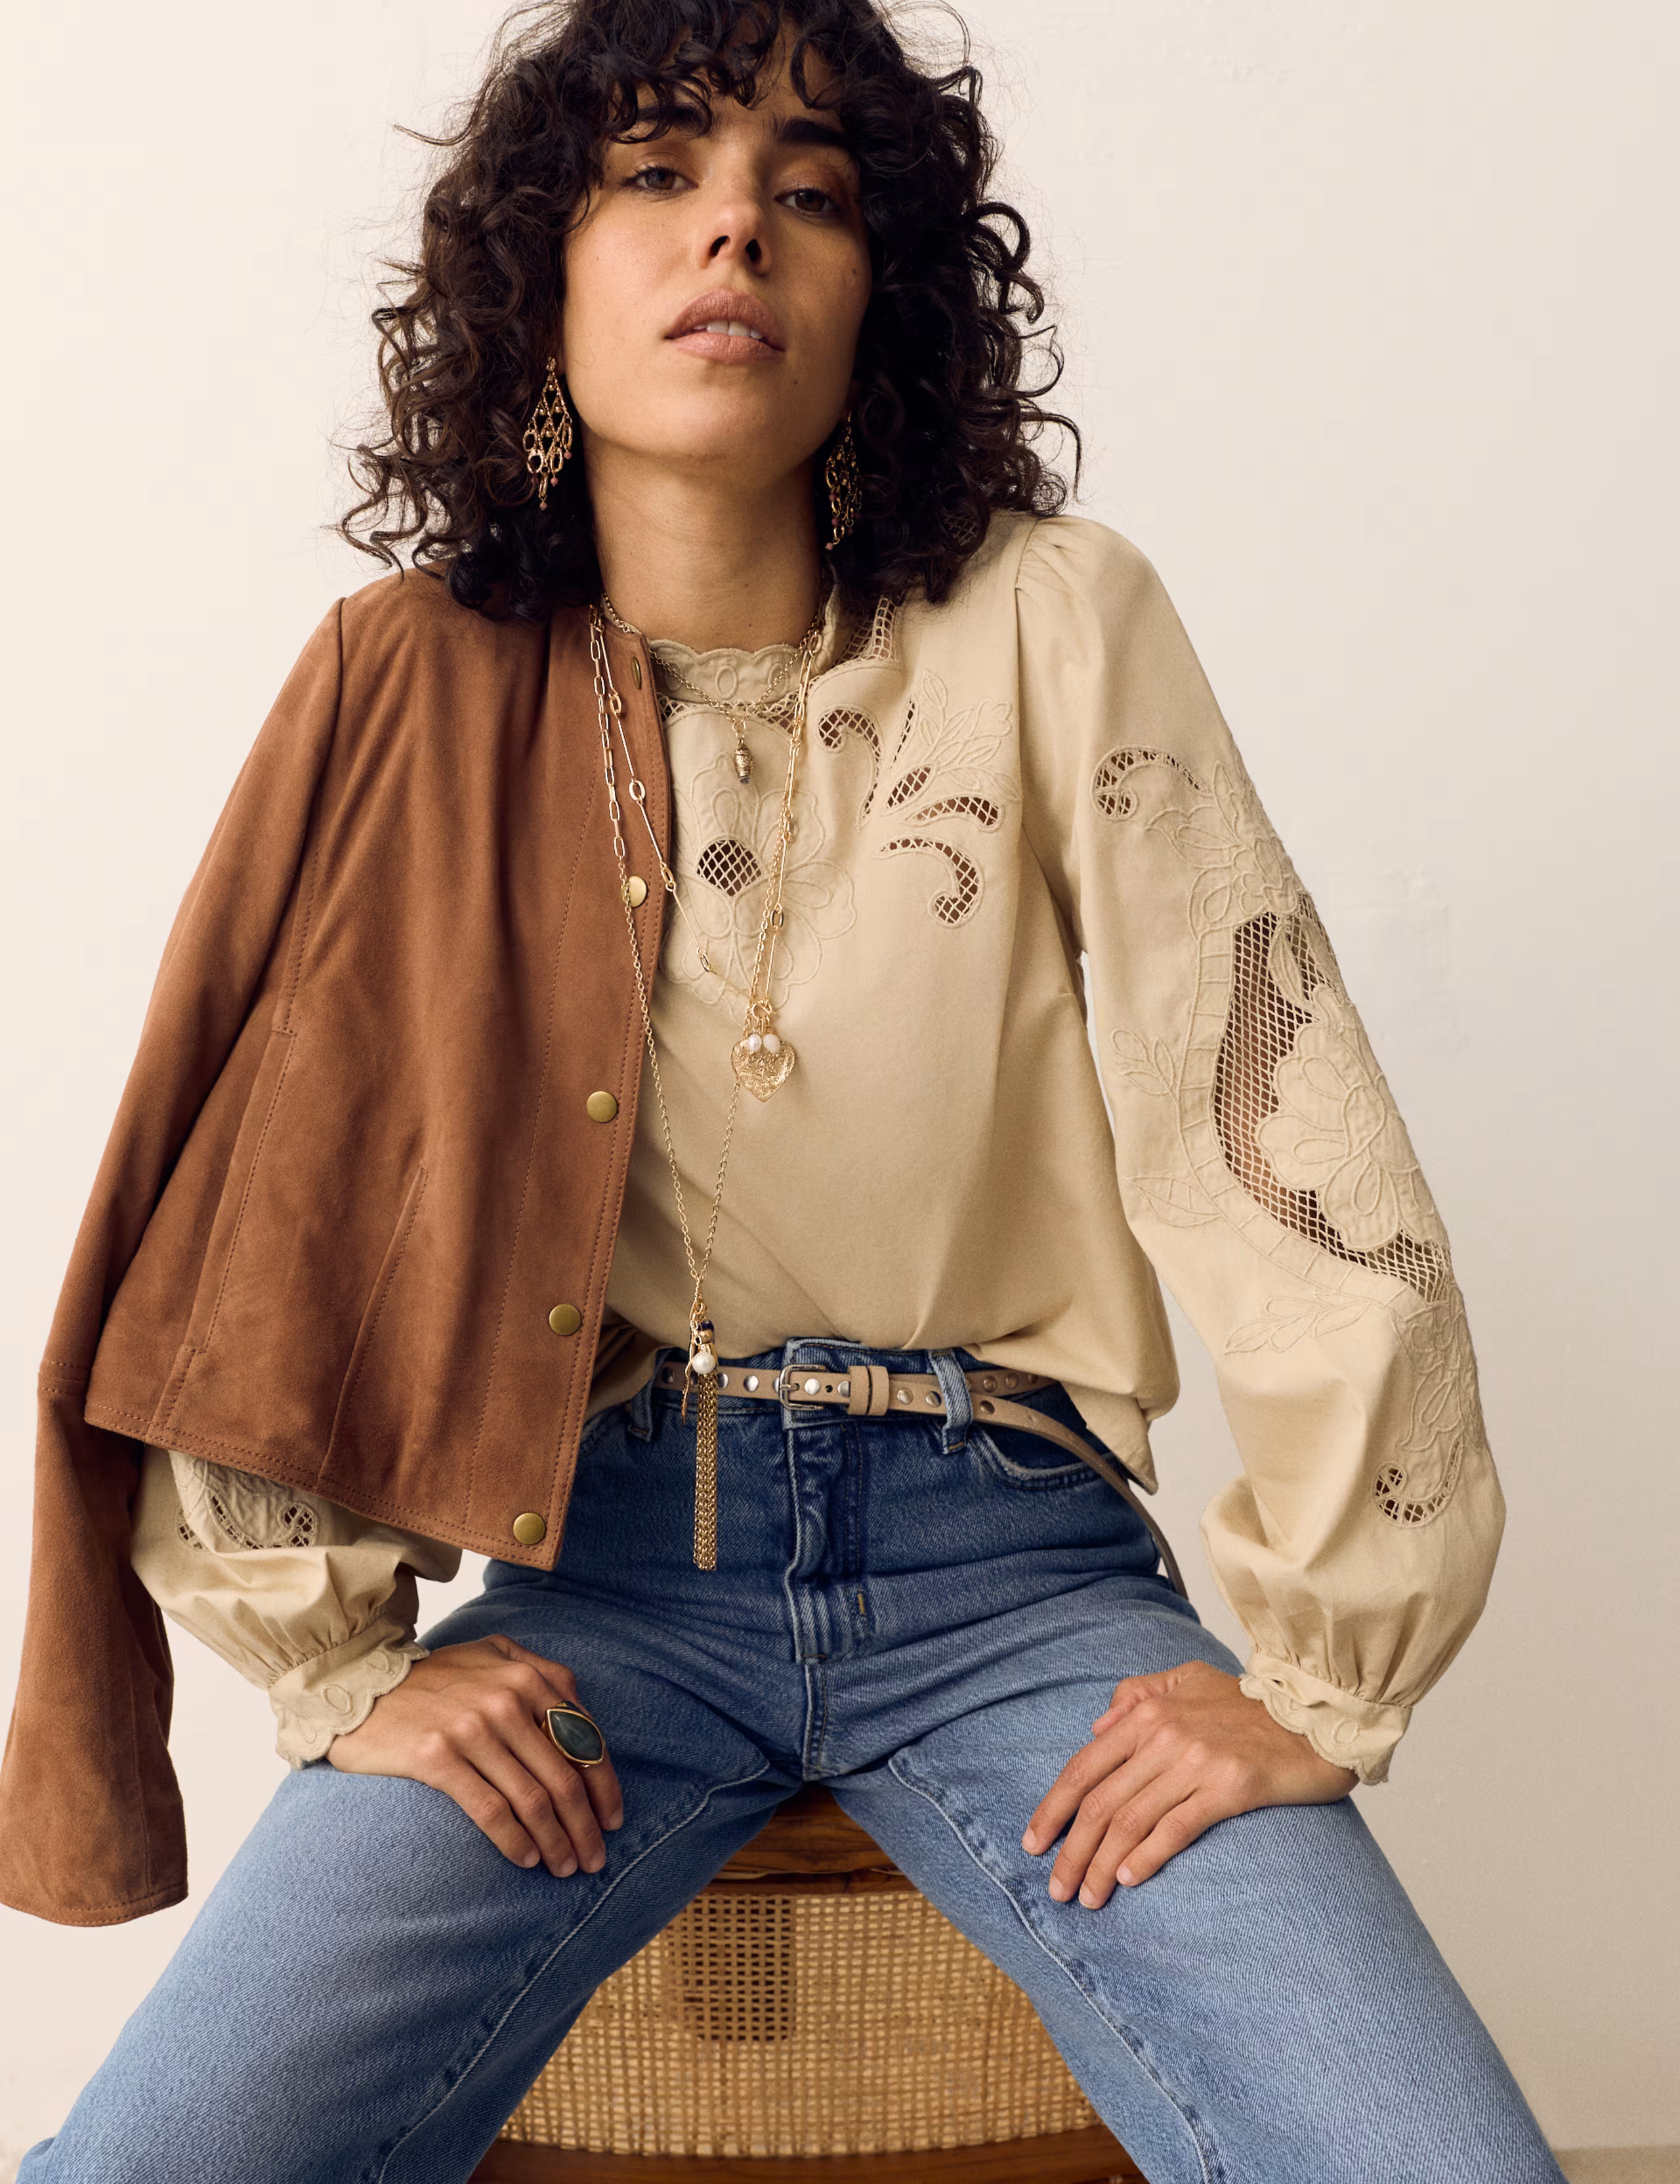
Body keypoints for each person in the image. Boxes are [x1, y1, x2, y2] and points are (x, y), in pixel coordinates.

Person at [5, 3, 1564, 2179]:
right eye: (657, 174)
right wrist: (342, 1658)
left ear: (878, 304)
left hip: (1017, 1578)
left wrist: (1317, 1668)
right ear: (540, 277)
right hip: (605, 1585)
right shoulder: (412, 675)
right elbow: (267, 1195)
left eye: (810, 194)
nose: (734, 221)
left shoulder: (1051, 618)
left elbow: (1269, 1118)